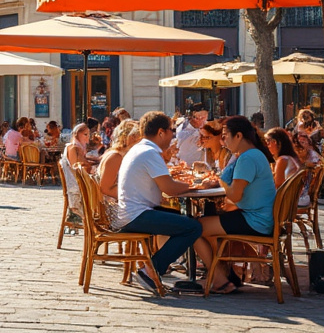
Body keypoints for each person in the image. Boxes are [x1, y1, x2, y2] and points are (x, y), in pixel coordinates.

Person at [112, 111, 210, 294]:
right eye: (171, 130)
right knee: (193, 227)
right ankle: (151, 269)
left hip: (132, 211)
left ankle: (158, 267)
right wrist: (197, 186)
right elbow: (169, 188)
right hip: (137, 215)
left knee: (185, 220)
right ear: (161, 132)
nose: (174, 135)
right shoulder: (149, 152)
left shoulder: (141, 149)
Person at [196, 116, 278, 294]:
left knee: (194, 228)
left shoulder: (247, 159)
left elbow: (234, 195)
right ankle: (224, 273)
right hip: (261, 217)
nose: (223, 139)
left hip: (255, 220)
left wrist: (222, 179)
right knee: (209, 226)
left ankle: (220, 278)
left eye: (225, 135)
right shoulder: (254, 154)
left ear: (239, 136)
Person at [265, 128, 312, 210]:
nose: (267, 146)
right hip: (301, 197)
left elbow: (278, 185)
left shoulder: (282, 160)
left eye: (268, 143)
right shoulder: (292, 157)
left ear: (275, 142)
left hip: (292, 200)